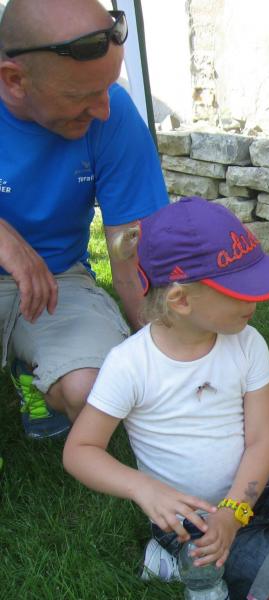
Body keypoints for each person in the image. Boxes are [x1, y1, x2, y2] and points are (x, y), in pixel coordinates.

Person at [63, 197, 269, 600]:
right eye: (242, 291)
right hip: (190, 518)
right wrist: (142, 488)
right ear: (181, 300)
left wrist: (236, 511)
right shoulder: (130, 365)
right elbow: (80, 451)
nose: (256, 300)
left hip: (256, 484)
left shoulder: (247, 343)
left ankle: (266, 538)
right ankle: (170, 555)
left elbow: (263, 439)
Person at [0, 0, 167, 440]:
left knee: (97, 392)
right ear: (14, 80)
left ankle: (33, 368)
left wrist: (170, 351)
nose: (104, 110)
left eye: (107, 88)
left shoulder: (113, 112)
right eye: (79, 96)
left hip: (58, 282)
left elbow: (135, 249)